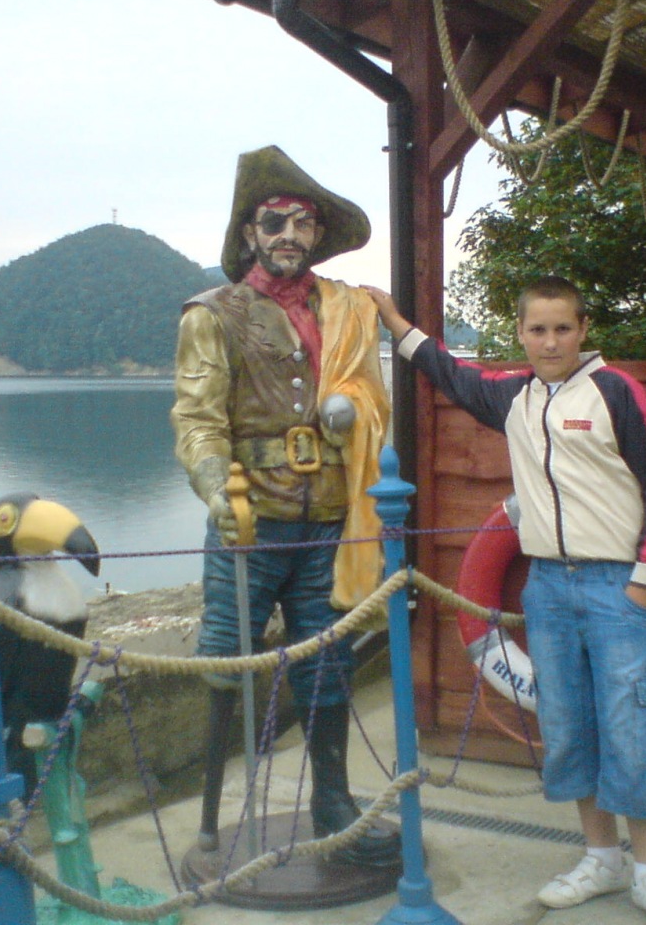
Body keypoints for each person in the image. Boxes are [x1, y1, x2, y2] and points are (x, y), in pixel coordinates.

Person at [364, 278, 646, 924]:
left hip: (618, 587)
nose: (550, 342)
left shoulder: (615, 391)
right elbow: (448, 370)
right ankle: (600, 859)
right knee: (568, 726)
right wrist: (393, 321)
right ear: (520, 333)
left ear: (584, 330)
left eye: (562, 328)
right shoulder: (511, 396)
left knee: (635, 727)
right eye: (538, 329)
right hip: (546, 588)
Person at [171, 145, 397, 864]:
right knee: (224, 659)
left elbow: (371, 390)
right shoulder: (213, 314)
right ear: (250, 233)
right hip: (250, 520)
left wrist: (352, 411)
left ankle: (332, 802)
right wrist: (216, 489)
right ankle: (211, 821)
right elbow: (198, 418)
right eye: (275, 221)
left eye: (303, 222)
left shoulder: (345, 310)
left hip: (328, 516)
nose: (289, 234)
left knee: (327, 659)